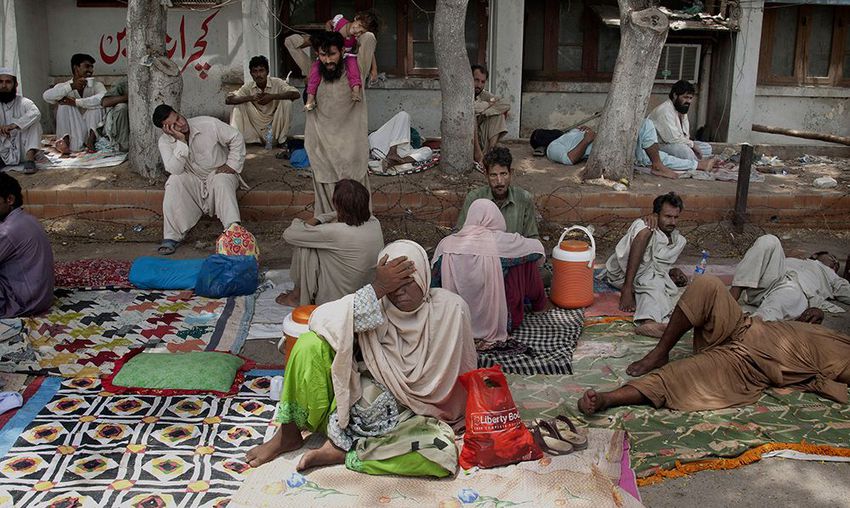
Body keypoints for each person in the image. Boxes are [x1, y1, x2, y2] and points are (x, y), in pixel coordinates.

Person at [245, 240, 477, 476]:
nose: (399, 291)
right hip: (351, 408)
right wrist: (378, 288)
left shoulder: (451, 309)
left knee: (439, 455)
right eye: (392, 285)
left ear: (424, 279)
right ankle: (289, 433)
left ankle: (349, 451)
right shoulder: (374, 306)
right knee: (309, 344)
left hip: (414, 416)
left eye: (407, 282)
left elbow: (465, 370)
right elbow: (321, 320)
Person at [578, 275, 850, 416]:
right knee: (707, 284)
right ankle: (661, 351)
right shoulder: (834, 334)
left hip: (749, 362)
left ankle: (608, 399)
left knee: (683, 374)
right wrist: (810, 317)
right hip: (746, 326)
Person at [433, 199, 547, 351]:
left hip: (454, 323)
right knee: (524, 262)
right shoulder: (502, 242)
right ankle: (539, 305)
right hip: (505, 320)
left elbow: (434, 285)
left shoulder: (445, 244)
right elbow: (537, 249)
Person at [152, 104, 246, 255]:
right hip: (193, 179)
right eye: (174, 125)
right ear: (166, 129)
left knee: (222, 180)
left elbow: (236, 137)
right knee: (174, 182)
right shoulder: (165, 142)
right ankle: (172, 237)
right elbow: (174, 170)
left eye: (179, 117)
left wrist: (232, 165)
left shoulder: (208, 123)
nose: (181, 123)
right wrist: (181, 142)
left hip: (218, 173)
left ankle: (233, 232)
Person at [276, 179, 384, 307]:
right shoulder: (374, 223)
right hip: (366, 295)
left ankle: (297, 296)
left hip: (336, 301)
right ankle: (299, 294)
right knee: (311, 240)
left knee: (305, 246)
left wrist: (321, 217)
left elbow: (290, 234)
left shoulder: (335, 232)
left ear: (337, 205)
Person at [300, 31, 375, 216]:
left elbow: (369, 38)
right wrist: (314, 39)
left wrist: (348, 30)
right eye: (323, 55)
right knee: (328, 209)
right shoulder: (315, 72)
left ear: (342, 51)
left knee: (355, 204)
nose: (328, 60)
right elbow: (290, 42)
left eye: (332, 54)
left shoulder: (357, 68)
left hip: (351, 155)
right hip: (323, 152)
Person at [600, 192, 689, 338]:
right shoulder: (644, 226)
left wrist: (672, 271)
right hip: (623, 275)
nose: (672, 222)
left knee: (661, 284)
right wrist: (627, 289)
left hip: (649, 276)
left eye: (676, 217)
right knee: (652, 283)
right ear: (656, 214)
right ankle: (649, 322)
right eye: (667, 216)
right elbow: (641, 241)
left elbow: (656, 264)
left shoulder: (678, 241)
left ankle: (660, 322)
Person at [729, 235, 850, 323]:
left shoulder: (831, 275)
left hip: (796, 290)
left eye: (837, 264)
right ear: (816, 255)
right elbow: (765, 260)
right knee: (770, 240)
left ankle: (750, 327)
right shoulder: (795, 260)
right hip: (774, 280)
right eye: (833, 259)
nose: (835, 263)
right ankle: (731, 297)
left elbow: (846, 291)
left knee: (774, 307)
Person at [546, 119, 715, 179]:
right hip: (609, 151)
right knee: (651, 150)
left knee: (647, 132)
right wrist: (587, 139)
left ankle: (695, 165)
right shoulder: (552, 146)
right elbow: (570, 159)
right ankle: (693, 165)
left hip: (611, 142)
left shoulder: (567, 135)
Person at [0, 173, 54, 317]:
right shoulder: (28, 219)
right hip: (41, 298)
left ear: (9, 199)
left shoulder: (7, 231)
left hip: (24, 303)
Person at [456, 147, 538, 239]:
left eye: (504, 174)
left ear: (510, 173)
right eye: (493, 175)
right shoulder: (475, 198)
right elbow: (460, 235)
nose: (499, 181)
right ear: (486, 175)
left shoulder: (523, 198)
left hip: (513, 251)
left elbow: (532, 237)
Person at [304, 11, 379, 109]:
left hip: (345, 58)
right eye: (359, 25)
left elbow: (370, 51)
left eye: (362, 31)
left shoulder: (356, 38)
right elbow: (328, 25)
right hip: (329, 55)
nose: (358, 31)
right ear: (356, 18)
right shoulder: (339, 22)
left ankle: (356, 91)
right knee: (315, 70)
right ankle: (310, 98)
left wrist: (374, 68)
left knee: (353, 67)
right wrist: (328, 28)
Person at [226, 55, 300, 147]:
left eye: (261, 71)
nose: (258, 75)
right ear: (251, 73)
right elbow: (229, 100)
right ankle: (235, 141)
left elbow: (296, 94)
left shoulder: (277, 82)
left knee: (287, 102)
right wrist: (251, 98)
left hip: (273, 127)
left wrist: (272, 97)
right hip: (255, 128)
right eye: (255, 71)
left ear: (267, 72)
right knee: (238, 104)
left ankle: (282, 140)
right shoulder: (248, 87)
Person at [42, 53, 105, 154]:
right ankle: (65, 141)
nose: (91, 70)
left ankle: (91, 142)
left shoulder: (97, 85)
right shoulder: (64, 86)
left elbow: (103, 98)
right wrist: (71, 87)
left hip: (91, 127)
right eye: (87, 66)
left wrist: (76, 102)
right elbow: (46, 96)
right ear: (76, 68)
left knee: (98, 106)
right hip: (74, 130)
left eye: (92, 67)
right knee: (64, 104)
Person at [648, 80, 712, 162]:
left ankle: (694, 160)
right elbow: (672, 139)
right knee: (684, 151)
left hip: (679, 143)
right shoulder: (664, 111)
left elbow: (684, 136)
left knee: (707, 148)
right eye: (685, 97)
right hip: (660, 146)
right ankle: (697, 162)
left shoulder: (681, 109)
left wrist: (691, 145)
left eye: (690, 98)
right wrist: (692, 145)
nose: (688, 101)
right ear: (675, 95)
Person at [0, 68, 41, 174]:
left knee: (34, 122)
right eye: (0, 82)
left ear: (15, 84)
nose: (4, 86)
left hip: (22, 149)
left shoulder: (24, 102)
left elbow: (36, 113)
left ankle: (30, 160)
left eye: (8, 82)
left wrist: (15, 125)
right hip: (3, 147)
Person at [367, 111, 432, 172]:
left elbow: (416, 144)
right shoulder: (391, 131)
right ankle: (392, 152)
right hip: (381, 144)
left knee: (428, 150)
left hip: (392, 155)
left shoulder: (410, 144)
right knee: (404, 115)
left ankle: (393, 162)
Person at [472, 65, 510, 164]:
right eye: (476, 80)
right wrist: (488, 104)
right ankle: (478, 154)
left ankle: (490, 152)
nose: (479, 85)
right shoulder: (463, 94)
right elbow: (473, 108)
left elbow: (505, 103)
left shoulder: (483, 94)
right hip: (467, 136)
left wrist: (485, 113)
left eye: (482, 82)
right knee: (471, 117)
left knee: (499, 114)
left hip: (481, 132)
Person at [100, 78, 129, 152]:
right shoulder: (123, 83)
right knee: (121, 107)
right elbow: (105, 102)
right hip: (117, 127)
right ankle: (122, 146)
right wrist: (128, 97)